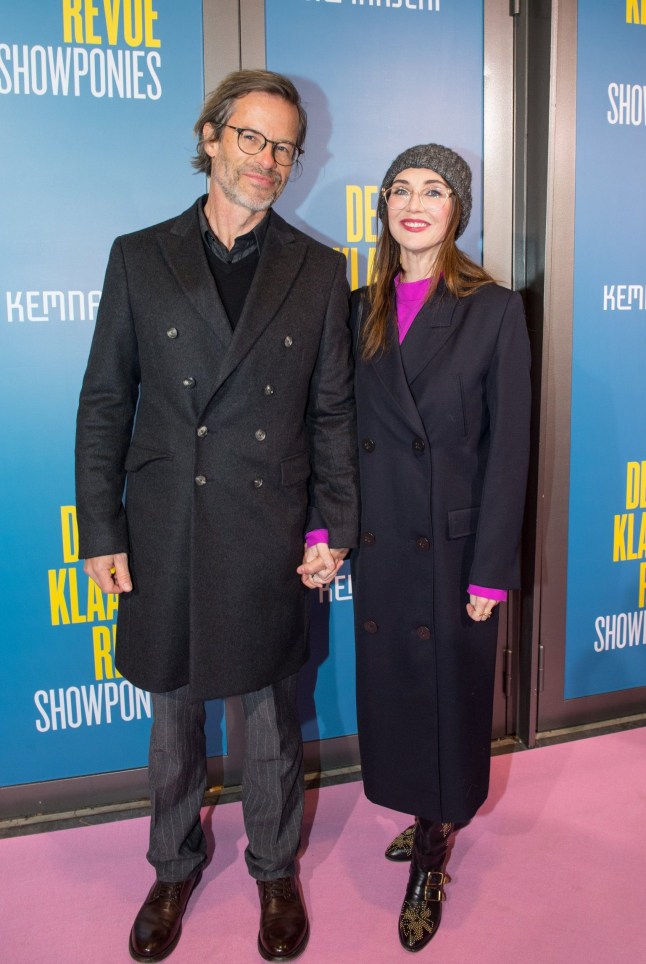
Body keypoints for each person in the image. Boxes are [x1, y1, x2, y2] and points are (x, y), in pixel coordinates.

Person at [75, 69, 359, 963]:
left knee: (271, 716)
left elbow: (331, 416)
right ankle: (173, 866)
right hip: (165, 526)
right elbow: (103, 404)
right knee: (171, 713)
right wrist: (101, 532)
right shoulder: (137, 255)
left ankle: (275, 873)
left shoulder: (318, 271)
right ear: (210, 138)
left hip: (266, 528)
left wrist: (335, 527)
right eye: (252, 138)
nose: (268, 161)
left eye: (284, 148)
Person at [350, 144, 531, 952]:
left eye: (434, 190)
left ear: (458, 209)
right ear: (383, 207)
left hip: (457, 553)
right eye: (399, 189)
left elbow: (509, 448)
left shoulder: (492, 308)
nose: (414, 202)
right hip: (384, 544)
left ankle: (432, 852)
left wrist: (492, 567)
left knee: (448, 709)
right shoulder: (358, 307)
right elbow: (336, 432)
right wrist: (329, 532)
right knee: (395, 701)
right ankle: (418, 813)